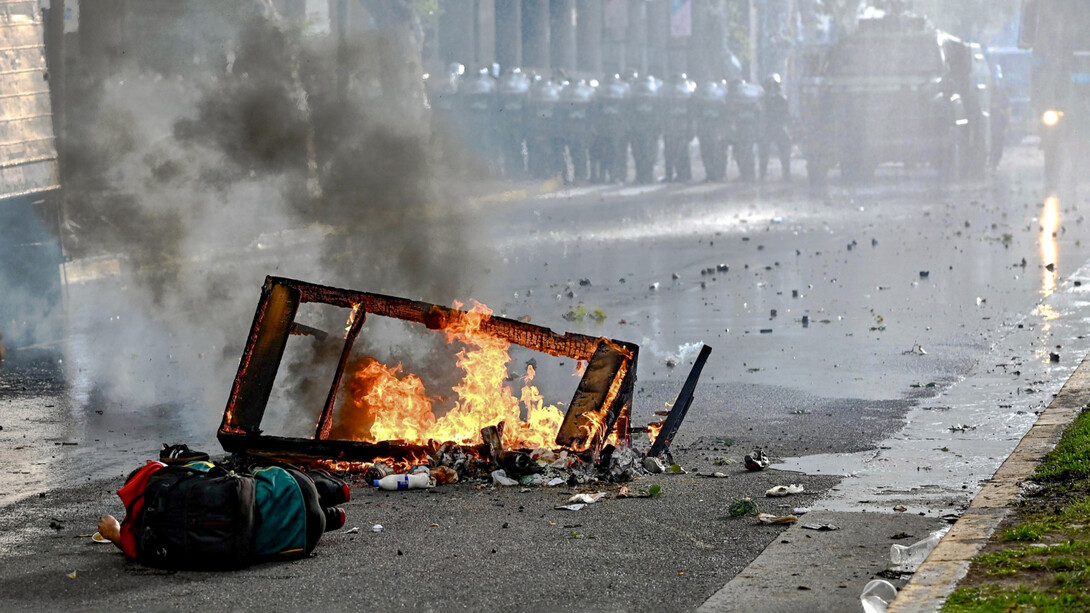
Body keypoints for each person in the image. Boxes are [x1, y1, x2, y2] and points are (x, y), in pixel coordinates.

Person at [97, 445, 349, 566]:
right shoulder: (180, 478)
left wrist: (113, 531)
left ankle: (332, 518)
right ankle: (336, 491)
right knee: (258, 477)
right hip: (295, 489)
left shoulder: (142, 537)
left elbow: (128, 546)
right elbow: (211, 469)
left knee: (276, 519)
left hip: (300, 541)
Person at [758, 74, 793, 181]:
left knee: (784, 147)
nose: (772, 89)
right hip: (771, 128)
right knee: (765, 149)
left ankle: (785, 173)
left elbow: (786, 115)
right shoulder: (764, 99)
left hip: (777, 128)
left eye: (775, 86)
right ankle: (763, 173)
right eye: (770, 86)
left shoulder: (781, 99)